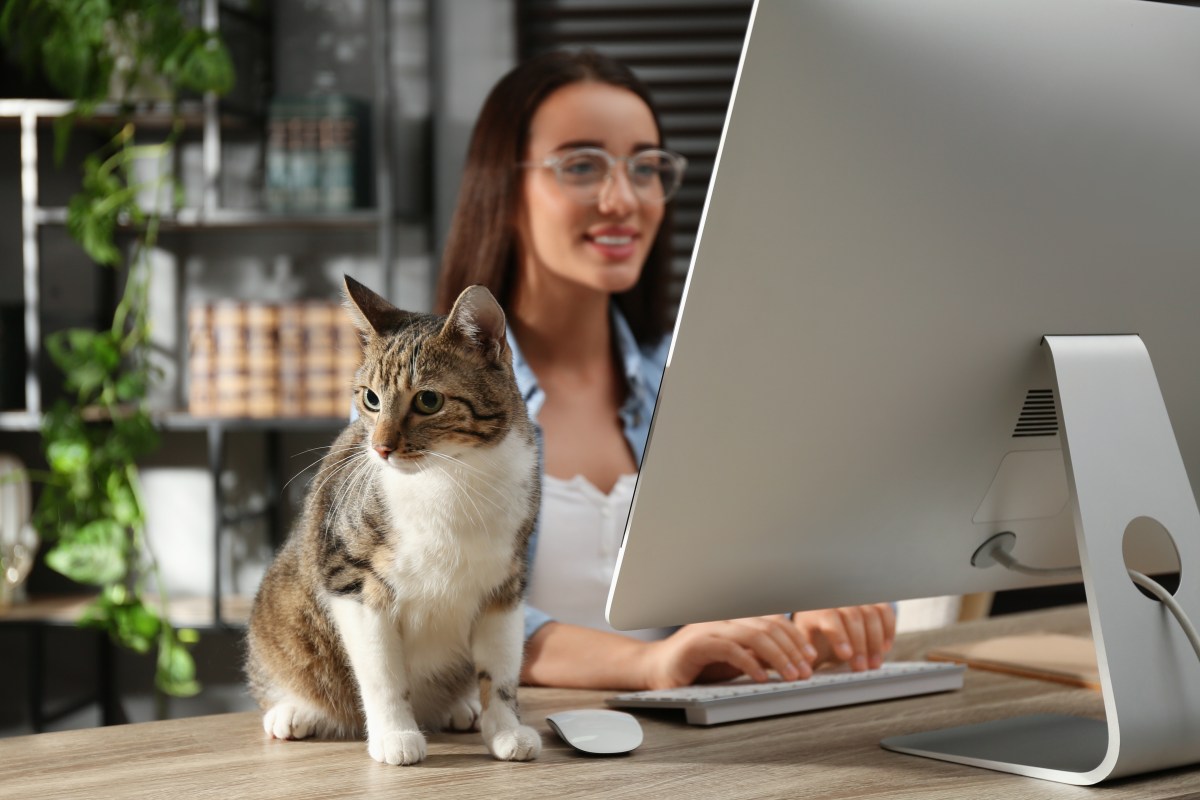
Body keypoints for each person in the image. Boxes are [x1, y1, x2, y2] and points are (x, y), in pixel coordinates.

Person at [434, 49, 896, 691]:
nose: (623, 199)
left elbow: (796, 543)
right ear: (503, 191)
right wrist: (648, 664)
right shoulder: (422, 399)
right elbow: (440, 612)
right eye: (582, 165)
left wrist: (818, 609)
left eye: (645, 167)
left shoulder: (697, 380)